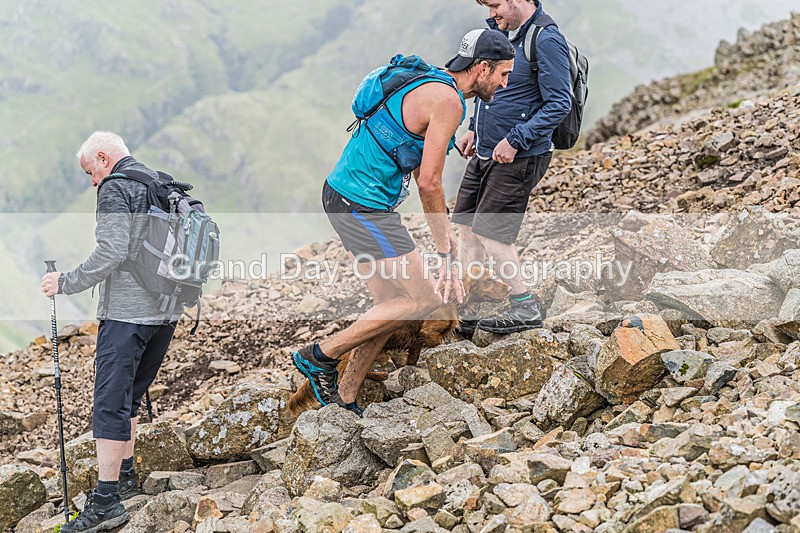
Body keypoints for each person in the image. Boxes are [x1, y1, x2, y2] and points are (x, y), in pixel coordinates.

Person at [292, 29, 516, 414]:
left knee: (390, 303)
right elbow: (428, 183)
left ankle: (345, 396)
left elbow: (416, 166)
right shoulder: (449, 102)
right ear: (483, 68)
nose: (505, 82)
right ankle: (320, 355)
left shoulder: (430, 81)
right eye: (503, 74)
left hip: (343, 195)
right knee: (423, 299)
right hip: (363, 205)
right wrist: (445, 253)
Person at [41, 131, 180, 532]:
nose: (92, 182)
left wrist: (64, 282)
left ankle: (105, 503)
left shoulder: (117, 187)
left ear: (103, 158)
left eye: (90, 172)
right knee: (129, 398)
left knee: (108, 405)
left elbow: (112, 250)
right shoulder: (159, 183)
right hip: (166, 313)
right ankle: (126, 478)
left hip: (127, 314)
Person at [453, 0, 572, 335]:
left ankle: (524, 307)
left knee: (491, 231)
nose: (491, 14)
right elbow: (490, 90)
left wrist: (517, 138)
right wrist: (475, 128)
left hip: (520, 155)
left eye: (494, 5)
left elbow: (559, 102)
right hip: (487, 150)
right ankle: (469, 308)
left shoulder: (545, 39)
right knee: (465, 226)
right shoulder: (500, 32)